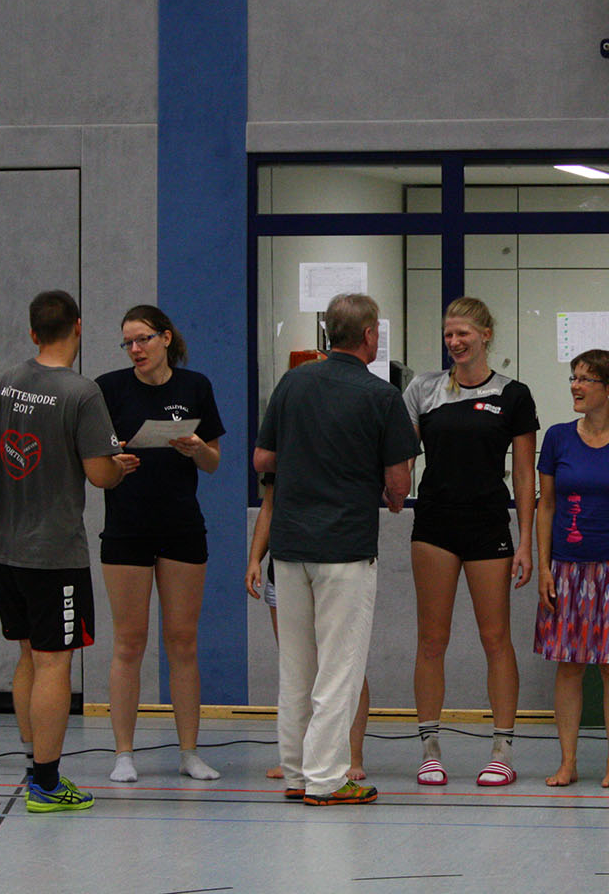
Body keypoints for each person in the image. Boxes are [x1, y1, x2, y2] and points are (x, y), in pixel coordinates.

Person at [0, 290, 135, 813]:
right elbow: (100, 474)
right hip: (53, 553)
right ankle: (46, 783)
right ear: (78, 327)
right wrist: (117, 467)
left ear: (33, 332)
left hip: (2, 547)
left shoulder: (4, 381)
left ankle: (32, 761)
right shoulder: (81, 392)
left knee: (28, 656)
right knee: (54, 662)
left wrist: (29, 466)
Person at [253, 292, 418, 806]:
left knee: (296, 668)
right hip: (344, 546)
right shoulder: (382, 396)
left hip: (289, 545)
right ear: (369, 335)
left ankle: (296, 772)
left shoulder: (293, 383)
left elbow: (262, 460)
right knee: (338, 668)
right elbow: (399, 484)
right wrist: (386, 493)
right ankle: (326, 779)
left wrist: (306, 458)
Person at [403, 297, 538, 787]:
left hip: (488, 526)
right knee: (431, 640)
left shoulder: (513, 395)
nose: (455, 342)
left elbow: (524, 475)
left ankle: (502, 749)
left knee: (495, 638)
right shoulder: (423, 389)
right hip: (434, 526)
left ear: (485, 335)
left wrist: (525, 542)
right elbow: (402, 457)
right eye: (449, 335)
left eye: (463, 333)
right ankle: (429, 749)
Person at [95, 304, 225, 783]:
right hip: (126, 526)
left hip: (181, 526)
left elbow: (213, 463)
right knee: (129, 642)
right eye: (128, 342)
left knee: (183, 641)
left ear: (166, 338)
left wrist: (198, 448)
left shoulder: (195, 387)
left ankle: (189, 752)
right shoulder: (108, 388)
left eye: (143, 339)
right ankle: (123, 754)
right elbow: (95, 465)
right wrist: (114, 465)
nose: (135, 349)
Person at [534, 350, 609, 788]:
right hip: (566, 566)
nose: (575, 385)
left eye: (586, 379)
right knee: (568, 665)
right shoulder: (557, 438)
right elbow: (546, 505)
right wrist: (544, 566)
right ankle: (567, 762)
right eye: (574, 377)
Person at [246, 471, 371, 781]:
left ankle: (351, 755)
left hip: (336, 560)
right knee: (297, 666)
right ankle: (299, 759)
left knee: (343, 664)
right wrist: (255, 559)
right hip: (286, 564)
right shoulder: (283, 455)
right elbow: (269, 506)